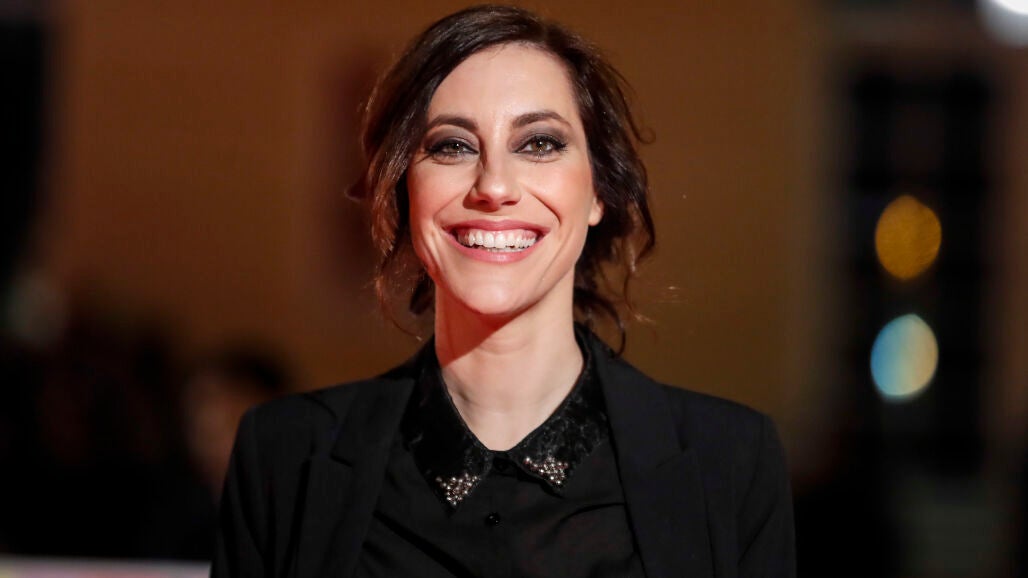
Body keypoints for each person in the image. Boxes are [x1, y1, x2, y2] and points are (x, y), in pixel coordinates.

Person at [213, 5, 795, 578]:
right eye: (452, 145)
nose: (493, 186)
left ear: (598, 191)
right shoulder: (284, 456)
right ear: (405, 190)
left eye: (539, 143)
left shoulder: (730, 461)